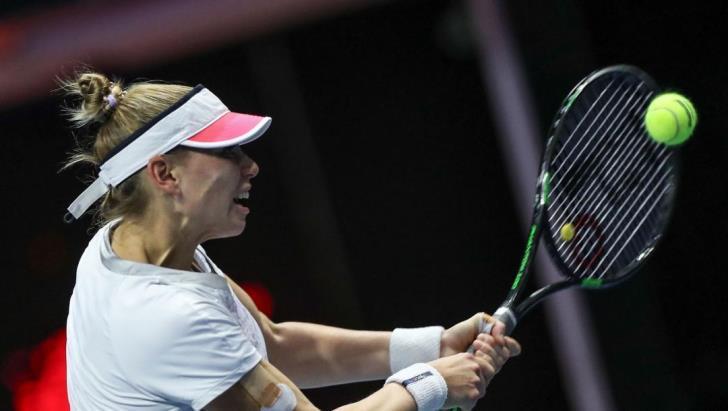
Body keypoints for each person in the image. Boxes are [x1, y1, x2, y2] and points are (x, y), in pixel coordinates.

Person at [61, 71, 521, 411]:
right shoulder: (165, 315)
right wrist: (429, 385)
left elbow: (272, 344)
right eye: (226, 152)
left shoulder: (125, 246)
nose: (251, 166)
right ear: (164, 173)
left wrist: (432, 348)